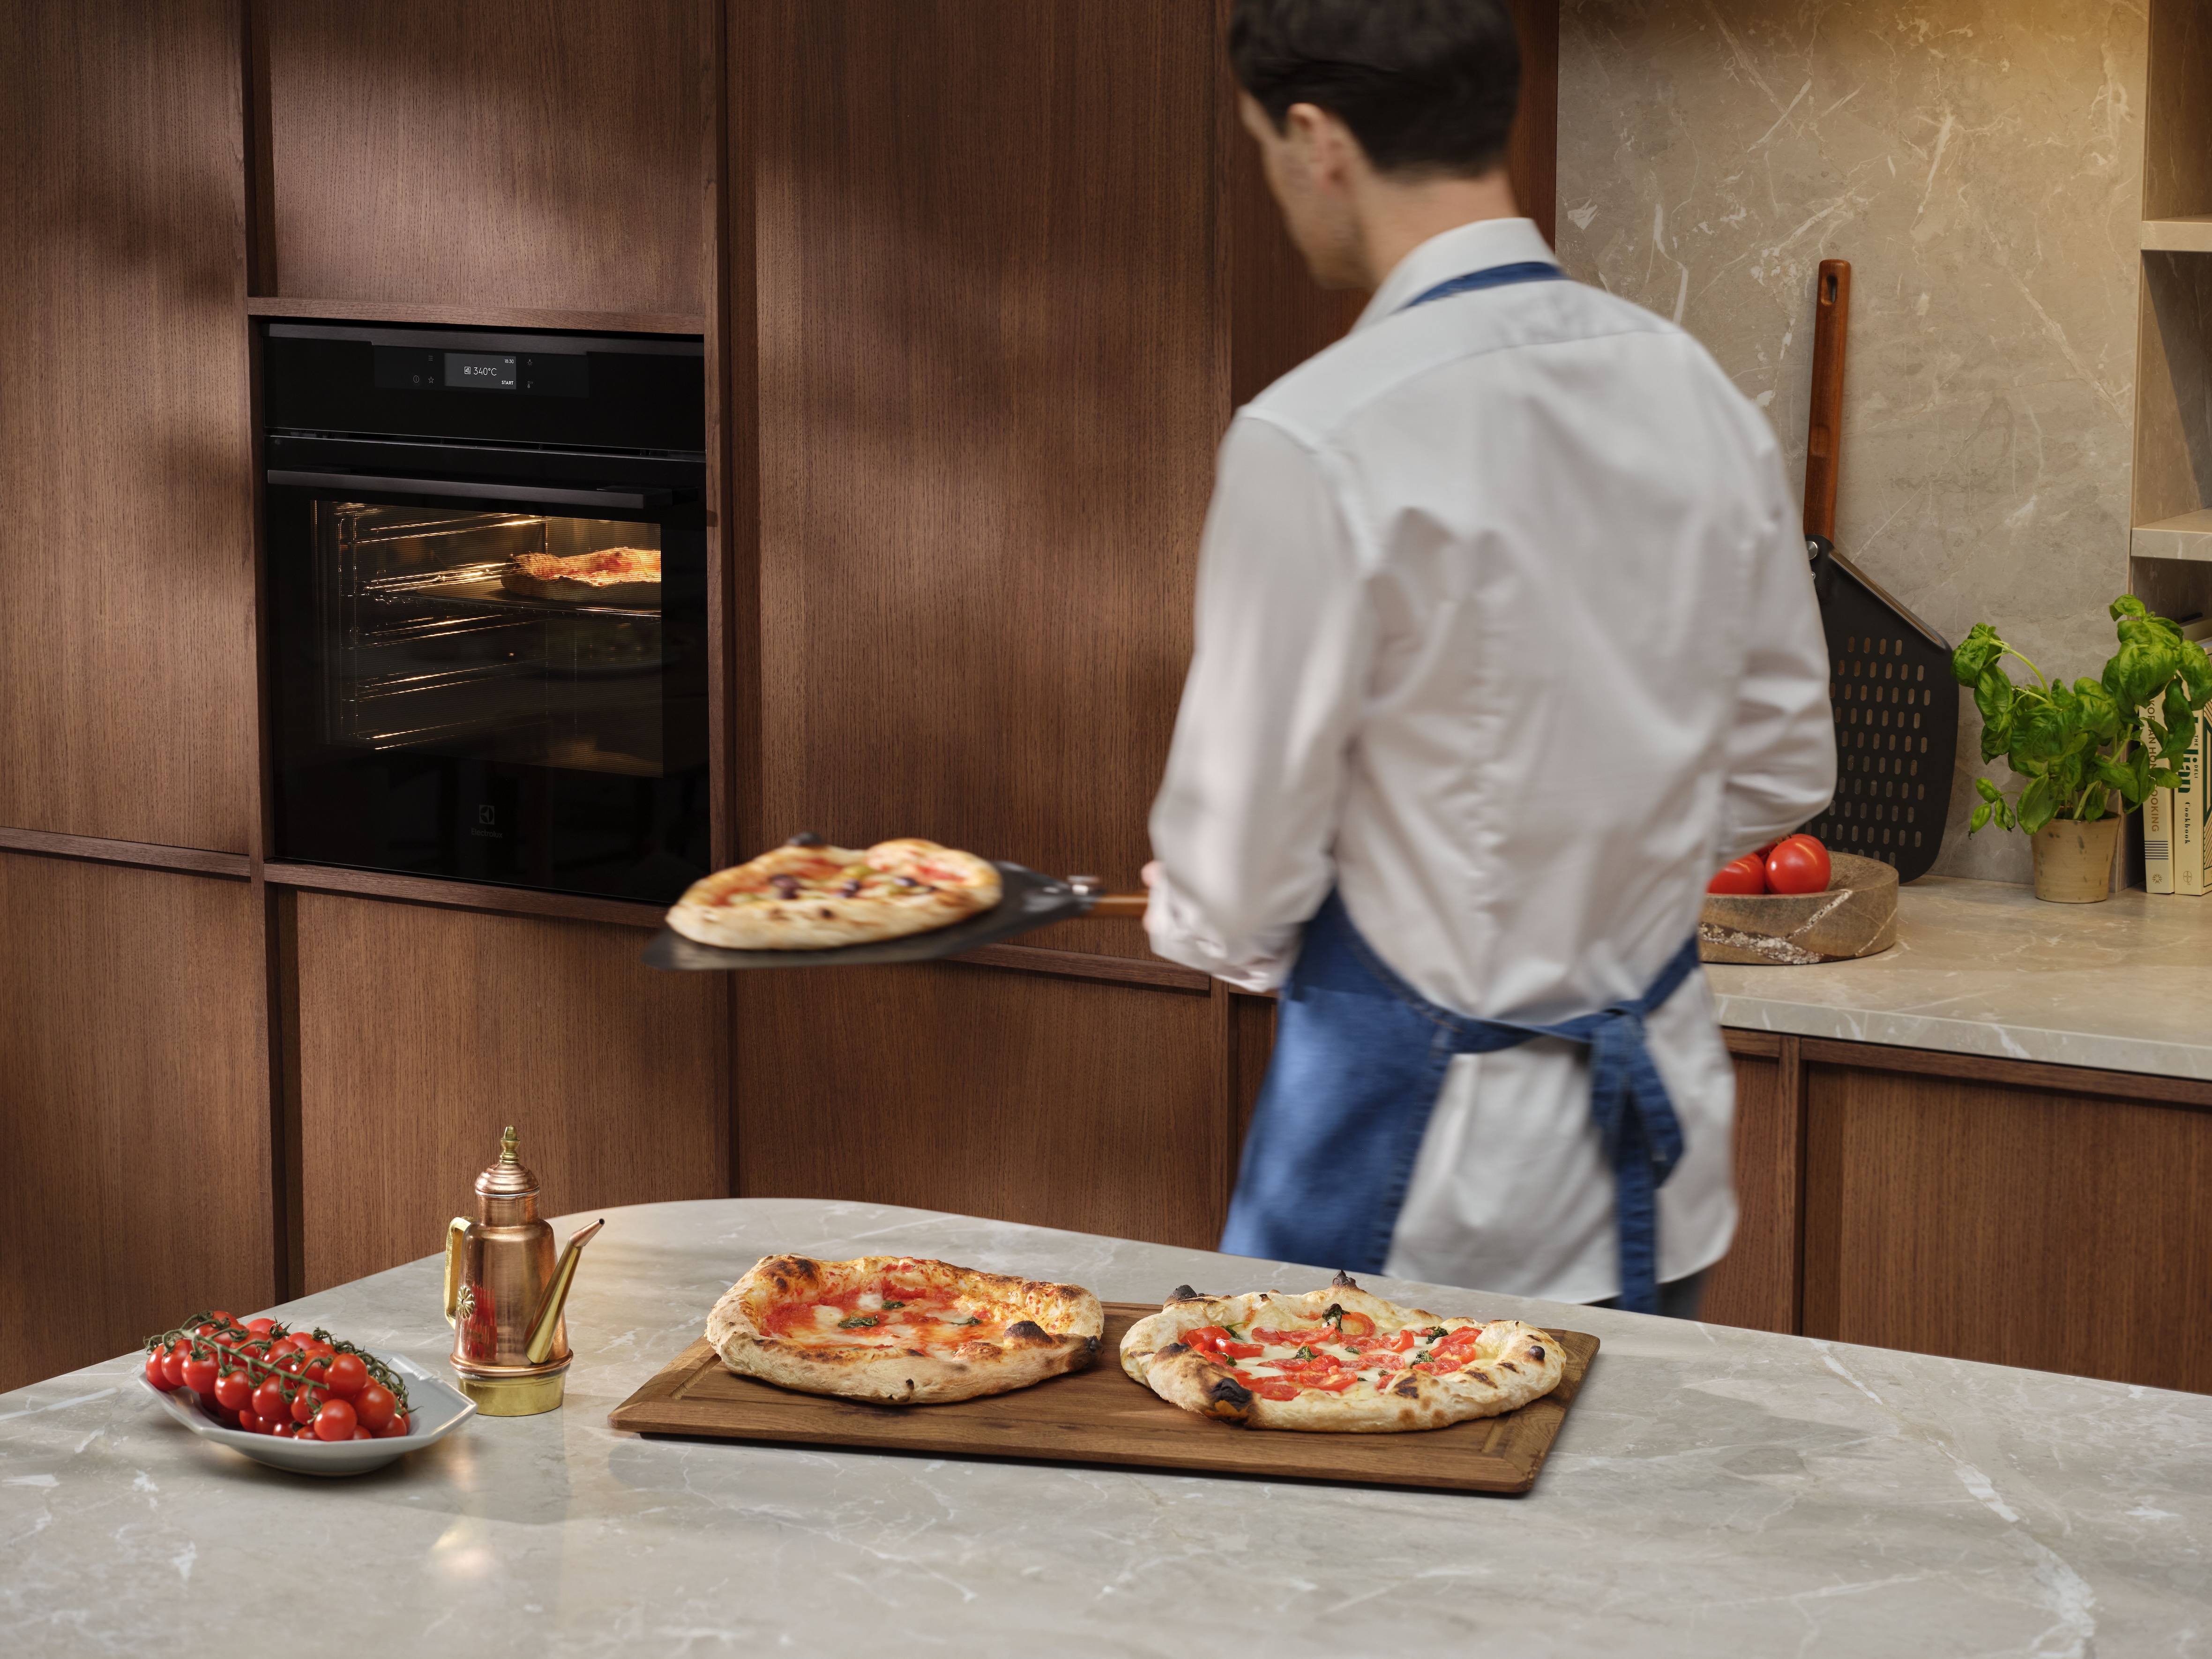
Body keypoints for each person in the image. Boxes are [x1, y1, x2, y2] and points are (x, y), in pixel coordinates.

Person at [1141, 0, 1835, 1316]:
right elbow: (1786, 765)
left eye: (1265, 148)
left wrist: (1192, 908)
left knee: (1336, 1452)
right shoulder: (1692, 388)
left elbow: (1239, 886)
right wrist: (1589, 874)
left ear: (1316, 138)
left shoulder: (1314, 435)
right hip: (1654, 1165)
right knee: (1629, 1459)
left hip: (1417, 1187)